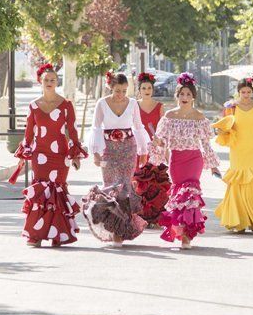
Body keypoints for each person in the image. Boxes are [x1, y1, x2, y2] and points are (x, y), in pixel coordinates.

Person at [10, 64, 87, 248]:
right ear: (40, 82)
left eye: (53, 80)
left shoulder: (66, 105)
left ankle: (57, 234)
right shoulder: (34, 106)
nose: (49, 82)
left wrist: (75, 155)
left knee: (57, 191)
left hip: (60, 155)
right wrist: (24, 154)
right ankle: (36, 235)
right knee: (41, 191)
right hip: (40, 155)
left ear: (57, 82)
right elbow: (29, 134)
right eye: (46, 80)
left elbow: (73, 132)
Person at [149, 72, 220, 249]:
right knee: (179, 196)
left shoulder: (200, 117)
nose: (185, 97)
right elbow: (161, 141)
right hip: (176, 160)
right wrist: (158, 143)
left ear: (193, 97)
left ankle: (187, 235)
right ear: (177, 96)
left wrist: (212, 166)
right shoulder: (169, 117)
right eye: (182, 94)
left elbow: (206, 144)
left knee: (190, 195)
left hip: (194, 159)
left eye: (188, 94)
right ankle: (180, 231)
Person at [83, 72, 149, 248]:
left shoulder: (133, 103)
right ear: (110, 88)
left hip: (129, 148)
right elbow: (96, 128)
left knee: (125, 187)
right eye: (117, 90)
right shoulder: (102, 104)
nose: (121, 95)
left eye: (124, 91)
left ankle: (120, 232)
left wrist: (143, 150)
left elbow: (138, 126)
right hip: (109, 149)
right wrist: (96, 152)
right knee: (111, 186)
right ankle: (112, 228)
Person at [213, 76, 253, 233]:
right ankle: (238, 220)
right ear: (238, 92)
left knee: (252, 181)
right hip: (237, 148)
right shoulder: (231, 106)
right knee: (238, 181)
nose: (246, 95)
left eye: (248, 92)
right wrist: (220, 129)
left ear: (252, 91)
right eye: (243, 92)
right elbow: (225, 126)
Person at [133, 71, 171, 227]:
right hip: (140, 149)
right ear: (139, 90)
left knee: (155, 183)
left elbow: (164, 129)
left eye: (149, 88)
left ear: (152, 89)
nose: (147, 90)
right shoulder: (134, 105)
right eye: (144, 88)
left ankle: (155, 217)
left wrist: (160, 141)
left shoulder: (160, 107)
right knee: (140, 183)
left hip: (156, 149)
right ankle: (140, 216)